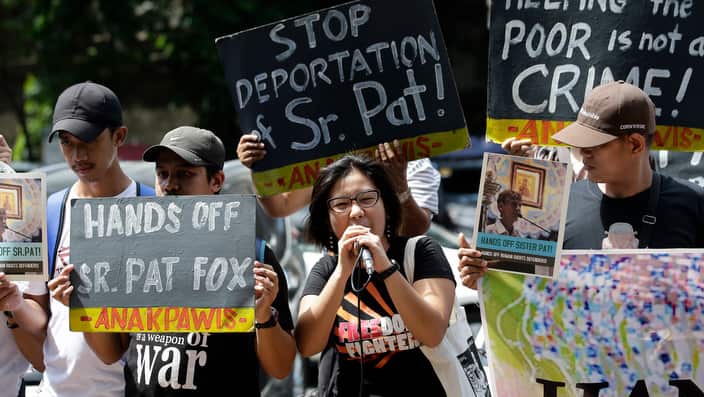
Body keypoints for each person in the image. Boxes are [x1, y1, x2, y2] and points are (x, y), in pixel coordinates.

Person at [71, 126, 296, 396]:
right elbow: (111, 353)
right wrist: (84, 304)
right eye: (162, 174)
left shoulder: (251, 255)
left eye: (185, 174)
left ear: (217, 181)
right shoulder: (129, 250)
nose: (170, 184)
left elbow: (281, 368)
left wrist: (263, 317)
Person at [23, 81, 156, 397]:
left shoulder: (154, 213)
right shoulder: (47, 212)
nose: (77, 154)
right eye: (67, 143)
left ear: (119, 137)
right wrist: (13, 307)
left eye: (88, 140)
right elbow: (37, 322)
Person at [295, 154, 456, 396]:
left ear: (387, 208)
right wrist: (342, 272)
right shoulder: (327, 270)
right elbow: (307, 345)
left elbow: (432, 333)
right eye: (341, 204)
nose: (356, 212)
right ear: (328, 220)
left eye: (367, 199)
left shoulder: (422, 252)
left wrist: (387, 268)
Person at [551, 81, 704, 249]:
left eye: (594, 144)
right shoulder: (557, 204)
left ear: (635, 144)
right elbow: (528, 274)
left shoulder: (694, 205)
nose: (583, 153)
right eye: (581, 143)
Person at [237, 134, 440, 236]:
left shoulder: (412, 161)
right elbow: (280, 206)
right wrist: (259, 166)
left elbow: (416, 229)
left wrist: (400, 187)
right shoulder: (330, 164)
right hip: (346, 285)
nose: (356, 213)